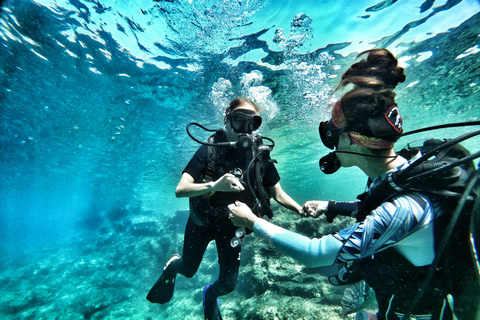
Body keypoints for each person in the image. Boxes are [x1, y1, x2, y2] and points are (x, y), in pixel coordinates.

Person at [228, 49, 479, 320]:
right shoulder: (404, 170)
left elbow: (315, 253)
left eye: (333, 137)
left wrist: (252, 221)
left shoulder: (404, 208)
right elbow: (374, 201)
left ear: (350, 140)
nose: (333, 147)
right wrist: (331, 205)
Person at [146, 97, 302, 320]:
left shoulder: (260, 155)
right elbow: (180, 190)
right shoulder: (209, 150)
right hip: (202, 222)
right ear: (227, 120)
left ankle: (210, 295)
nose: (245, 130)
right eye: (239, 120)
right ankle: (173, 266)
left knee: (228, 285)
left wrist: (300, 209)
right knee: (188, 270)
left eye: (253, 122)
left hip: (232, 227)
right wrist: (214, 185)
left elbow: (278, 193)